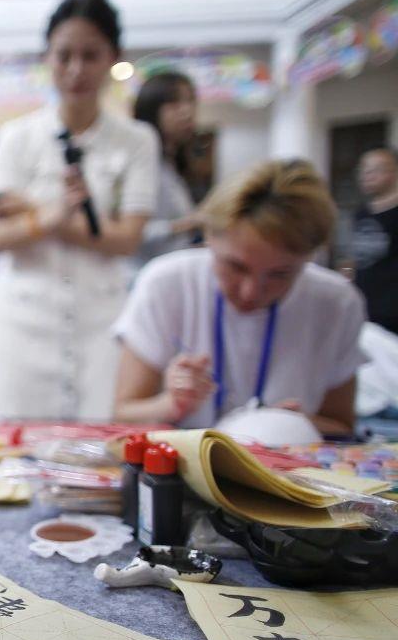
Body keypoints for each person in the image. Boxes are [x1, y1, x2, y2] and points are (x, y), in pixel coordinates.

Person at [0, 0, 158, 421]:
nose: (76, 70)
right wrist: (62, 215)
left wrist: (36, 213)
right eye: (64, 56)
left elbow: (127, 239)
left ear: (113, 57)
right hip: (22, 322)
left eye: (91, 56)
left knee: (101, 442)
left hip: (100, 322)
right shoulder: (15, 138)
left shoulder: (136, 141)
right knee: (12, 446)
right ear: (47, 58)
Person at [112, 160, 364, 436]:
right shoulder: (166, 283)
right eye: (235, 267)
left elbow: (342, 427)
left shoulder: (337, 303)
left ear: (310, 257)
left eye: (279, 274)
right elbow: (123, 413)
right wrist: (171, 405)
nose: (251, 292)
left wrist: (293, 423)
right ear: (208, 236)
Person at [132, 70, 204, 268]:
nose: (187, 111)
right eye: (174, 103)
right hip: (143, 275)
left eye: (190, 101)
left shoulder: (172, 165)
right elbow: (128, 233)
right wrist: (187, 224)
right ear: (151, 109)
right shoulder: (141, 164)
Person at [346, 147, 398, 335]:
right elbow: (355, 259)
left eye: (376, 169)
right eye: (364, 170)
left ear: (393, 172)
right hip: (363, 310)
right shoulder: (361, 213)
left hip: (392, 314)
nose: (367, 175)